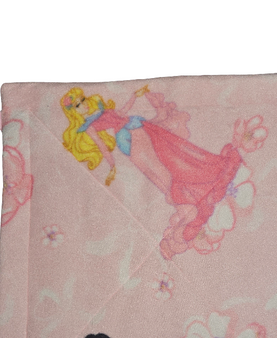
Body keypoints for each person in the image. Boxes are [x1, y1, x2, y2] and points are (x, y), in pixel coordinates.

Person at [61, 86, 243, 260]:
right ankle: (186, 207)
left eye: (82, 100)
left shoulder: (104, 110)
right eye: (77, 105)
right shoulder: (89, 126)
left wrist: (135, 95)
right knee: (160, 172)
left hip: (137, 129)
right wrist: (112, 166)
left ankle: (186, 207)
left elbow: (123, 111)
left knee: (166, 166)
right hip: (130, 136)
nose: (83, 105)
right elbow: (102, 146)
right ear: (74, 112)